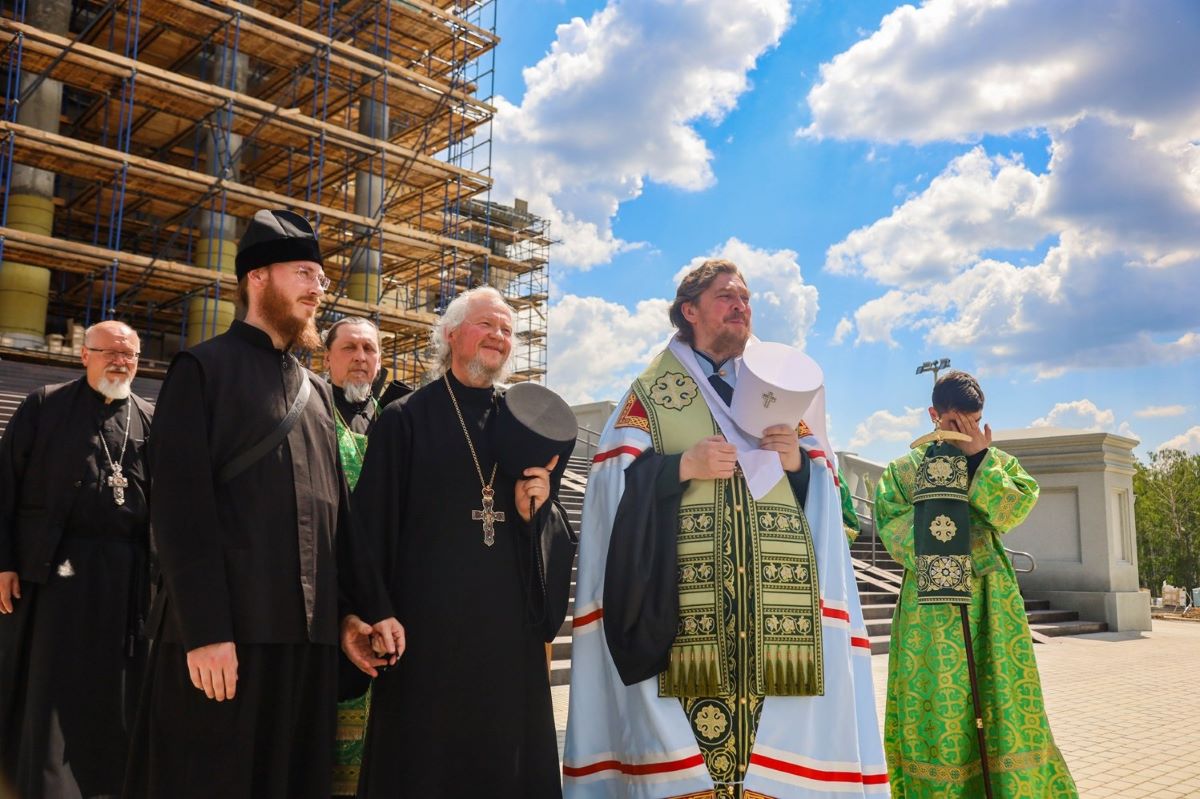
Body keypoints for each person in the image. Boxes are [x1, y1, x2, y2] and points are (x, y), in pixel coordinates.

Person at [564, 260, 888, 799]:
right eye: (725, 297)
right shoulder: (651, 393)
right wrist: (678, 467)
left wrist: (799, 466)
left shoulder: (775, 391)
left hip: (778, 625)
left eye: (746, 298)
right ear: (689, 311)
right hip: (685, 617)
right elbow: (607, 492)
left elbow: (829, 500)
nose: (741, 306)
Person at [124, 209, 400, 799]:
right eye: (304, 273)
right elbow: (179, 512)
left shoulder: (318, 393)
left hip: (306, 651)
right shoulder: (201, 370)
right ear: (257, 277)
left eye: (320, 279)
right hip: (227, 645)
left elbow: (338, 519)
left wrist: (357, 613)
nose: (317, 290)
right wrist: (205, 631)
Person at [350, 285, 576, 797]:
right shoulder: (404, 420)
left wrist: (533, 514)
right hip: (427, 640)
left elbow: (555, 525)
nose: (499, 336)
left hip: (506, 644)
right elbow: (369, 528)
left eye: (507, 330)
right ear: (452, 335)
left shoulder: (525, 423)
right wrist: (376, 610)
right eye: (486, 325)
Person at [874, 370, 1077, 797]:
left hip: (991, 598)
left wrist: (980, 462)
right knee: (938, 698)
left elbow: (1014, 509)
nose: (965, 433)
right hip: (929, 606)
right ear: (933, 414)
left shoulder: (997, 461)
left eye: (973, 422)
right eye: (954, 423)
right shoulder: (903, 470)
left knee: (1000, 694)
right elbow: (891, 525)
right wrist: (944, 525)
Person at [0, 320, 153, 799]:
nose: (120, 361)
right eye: (109, 352)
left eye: (128, 354)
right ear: (84, 355)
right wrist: (3, 561)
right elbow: (5, 486)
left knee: (115, 694)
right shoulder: (44, 405)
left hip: (126, 578)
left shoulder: (150, 417)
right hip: (54, 571)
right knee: (49, 689)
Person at [321, 316, 410, 797]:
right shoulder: (311, 412)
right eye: (350, 348)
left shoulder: (394, 420)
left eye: (370, 350)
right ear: (328, 356)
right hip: (326, 595)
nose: (361, 358)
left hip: (384, 597)